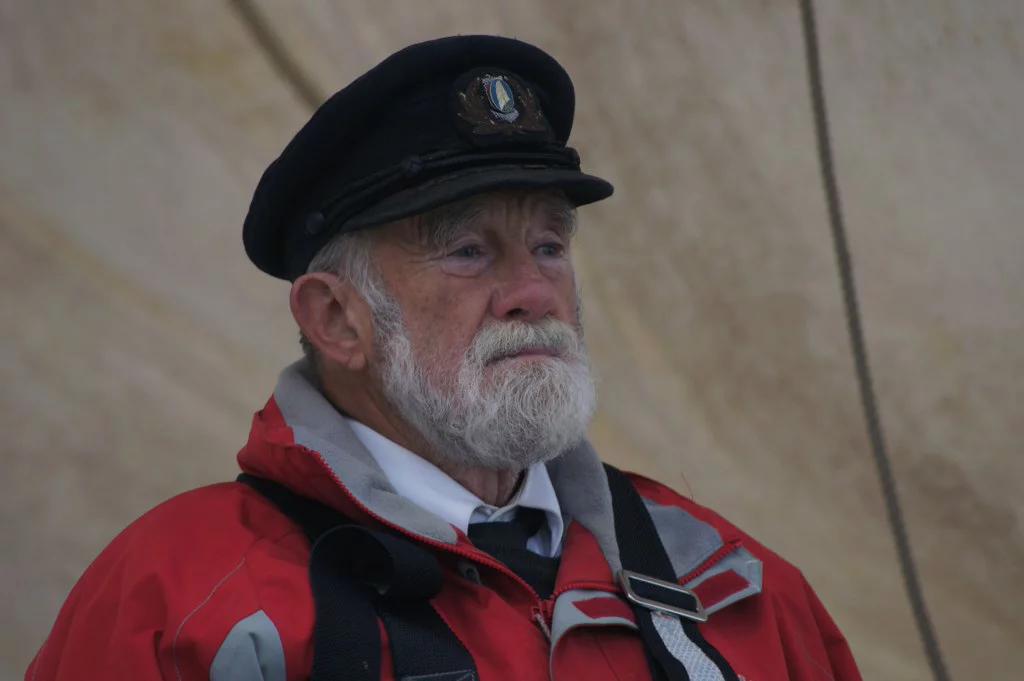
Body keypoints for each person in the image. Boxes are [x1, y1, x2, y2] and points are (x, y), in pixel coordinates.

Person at [27, 35, 861, 681]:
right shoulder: (176, 599)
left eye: (548, 245)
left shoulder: (736, 582)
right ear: (336, 319)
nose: (532, 292)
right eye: (469, 251)